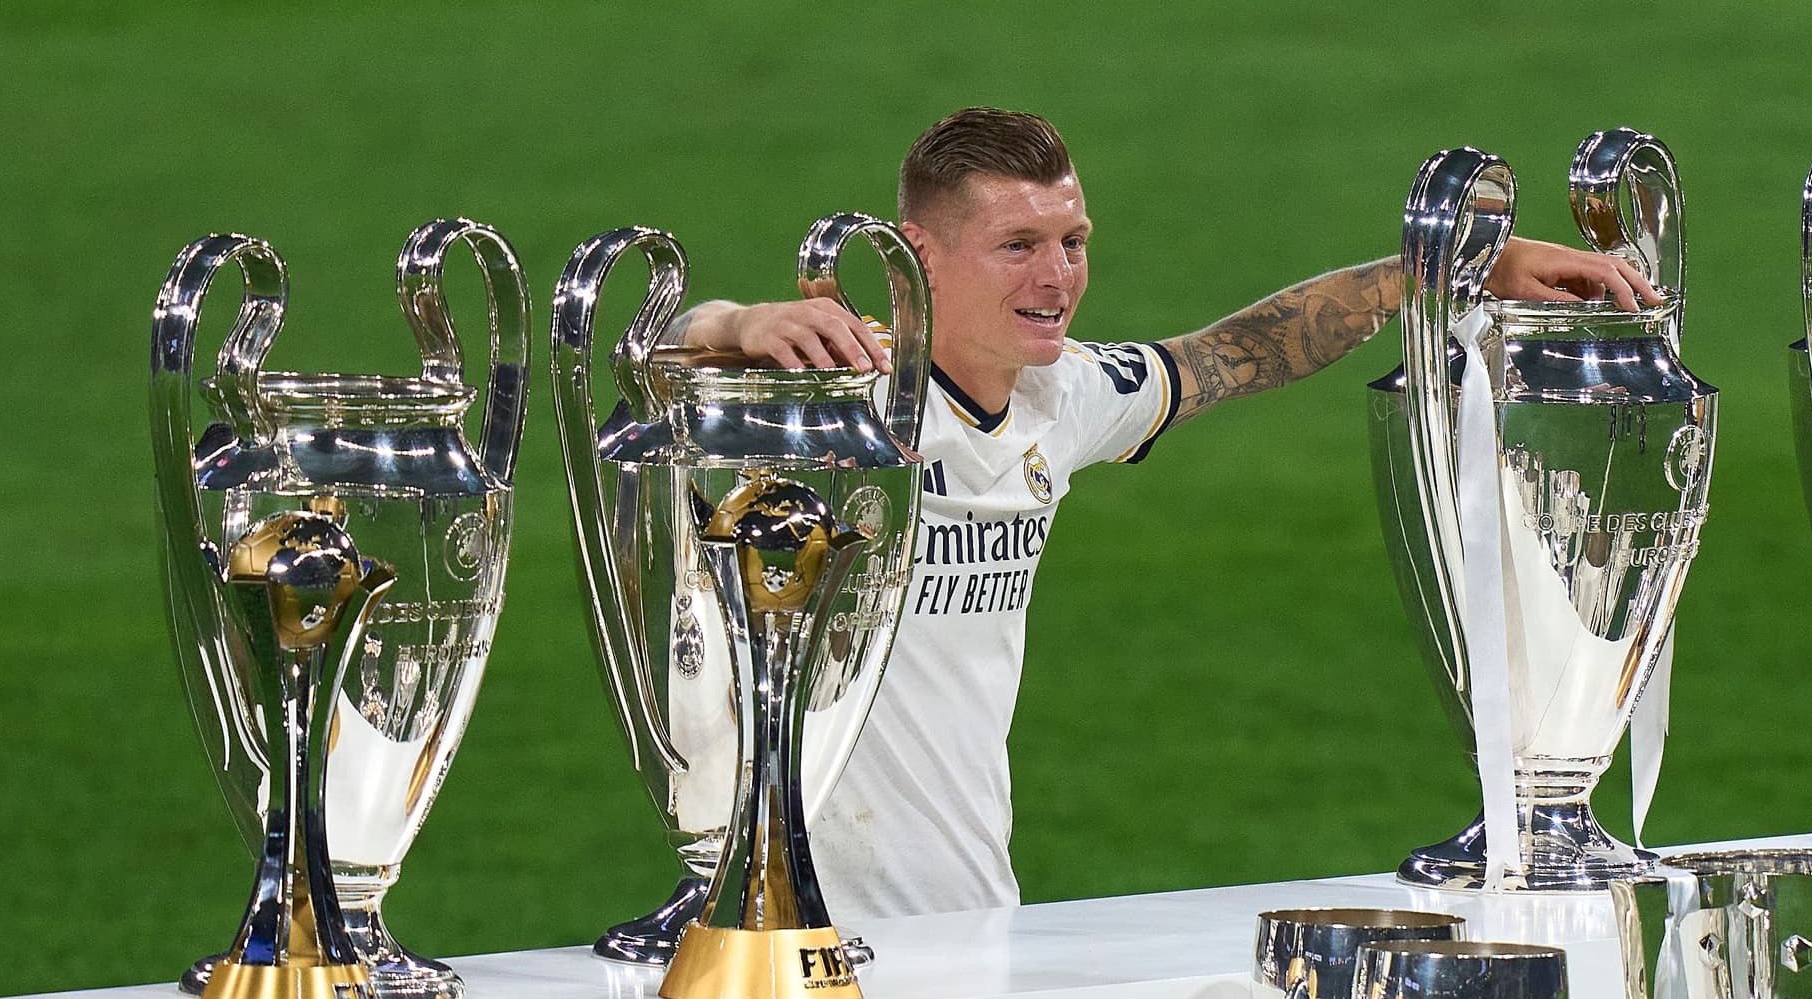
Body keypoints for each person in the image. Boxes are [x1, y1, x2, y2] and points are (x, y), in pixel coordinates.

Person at [669, 105, 1652, 919]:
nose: (1056, 277)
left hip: (972, 913)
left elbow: (1238, 353)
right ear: (916, 255)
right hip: (793, 931)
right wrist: (734, 323)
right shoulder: (840, 396)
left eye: (1072, 241)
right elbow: (666, 358)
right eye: (1017, 245)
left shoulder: (1066, 397)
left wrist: (1439, 273)